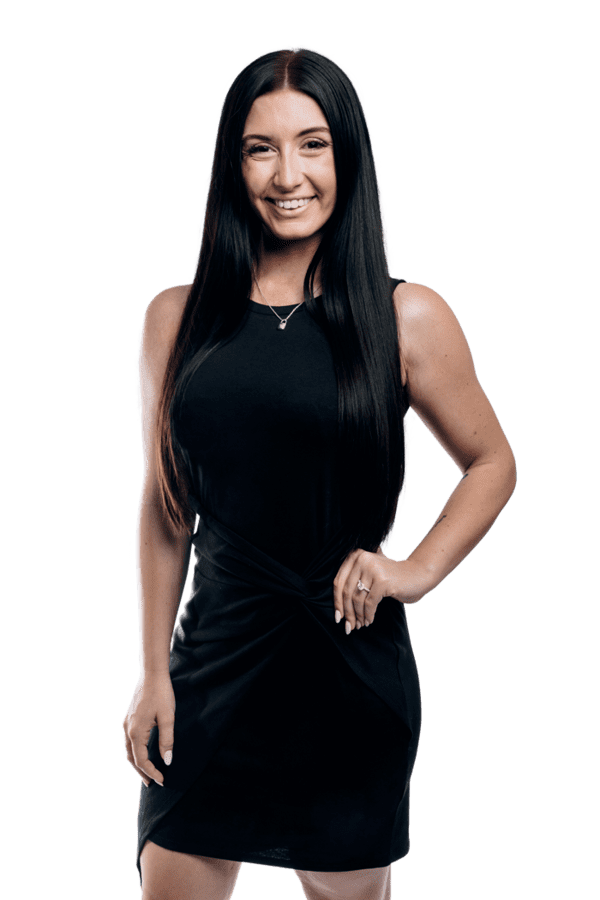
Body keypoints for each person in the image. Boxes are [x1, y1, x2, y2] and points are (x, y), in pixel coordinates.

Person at [121, 45, 517, 900]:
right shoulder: (174, 320)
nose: (287, 175)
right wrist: (152, 673)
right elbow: (166, 508)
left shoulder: (406, 315)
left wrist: (413, 570)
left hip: (347, 673)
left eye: (313, 144)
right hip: (210, 671)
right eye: (260, 148)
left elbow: (492, 461)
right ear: (232, 165)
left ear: (349, 157)